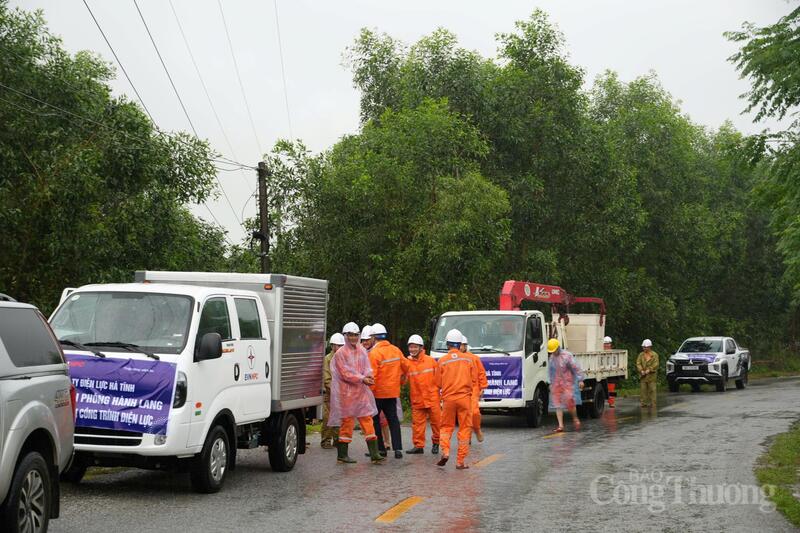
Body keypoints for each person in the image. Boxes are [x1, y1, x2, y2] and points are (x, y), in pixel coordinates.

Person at [329, 322, 385, 464]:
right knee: (347, 423)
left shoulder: (361, 350)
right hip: (347, 394)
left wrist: (369, 376)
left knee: (367, 420)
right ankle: (342, 455)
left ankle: (374, 453)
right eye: (350, 335)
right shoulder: (340, 354)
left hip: (361, 393)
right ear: (345, 336)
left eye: (355, 335)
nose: (353, 338)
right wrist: (362, 379)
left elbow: (367, 367)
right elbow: (345, 373)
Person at [436, 329, 477, 470]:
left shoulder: (442, 361)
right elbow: (474, 379)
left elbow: (438, 383)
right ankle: (460, 461)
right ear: (460, 344)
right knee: (465, 429)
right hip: (464, 399)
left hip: (448, 399)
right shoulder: (468, 359)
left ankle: (446, 452)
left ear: (447, 344)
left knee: (446, 427)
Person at [368, 323, 405, 458]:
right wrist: (401, 381)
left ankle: (381, 449)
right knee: (393, 420)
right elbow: (406, 367)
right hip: (392, 392)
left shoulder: (375, 353)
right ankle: (397, 449)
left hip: (378, 393)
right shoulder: (396, 350)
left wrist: (369, 393)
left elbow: (373, 375)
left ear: (373, 337)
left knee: (375, 420)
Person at [401, 334, 440, 455]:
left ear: (421, 347)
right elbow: (403, 381)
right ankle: (418, 446)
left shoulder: (431, 361)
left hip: (432, 397)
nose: (412, 349)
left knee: (437, 423)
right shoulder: (407, 363)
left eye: (415, 347)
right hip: (417, 398)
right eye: (410, 347)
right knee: (417, 424)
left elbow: (440, 379)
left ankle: (436, 443)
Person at [547, 338, 584, 433]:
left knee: (569, 401)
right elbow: (551, 372)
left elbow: (576, 368)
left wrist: (580, 380)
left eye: (554, 350)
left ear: (558, 348)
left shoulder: (567, 356)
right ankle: (560, 426)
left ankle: (575, 418)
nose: (553, 353)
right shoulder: (552, 358)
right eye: (551, 351)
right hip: (557, 383)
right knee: (557, 404)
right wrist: (550, 383)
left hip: (568, 383)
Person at [460, 335, 488, 442]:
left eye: (463, 345)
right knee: (464, 414)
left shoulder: (474, 358)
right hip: (460, 388)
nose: (461, 347)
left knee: (474, 412)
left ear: (466, 346)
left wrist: (483, 387)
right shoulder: (454, 358)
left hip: (473, 388)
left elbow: (481, 373)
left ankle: (477, 429)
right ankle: (468, 436)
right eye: (459, 345)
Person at [320, 332, 344, 449]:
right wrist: (334, 389)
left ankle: (337, 440)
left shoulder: (344, 358)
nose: (339, 348)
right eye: (337, 345)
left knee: (339, 418)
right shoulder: (327, 359)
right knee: (328, 418)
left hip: (341, 394)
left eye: (341, 345)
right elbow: (326, 377)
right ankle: (325, 441)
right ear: (332, 346)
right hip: (330, 394)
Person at [636, 339, 659, 408]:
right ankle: (643, 403)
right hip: (643, 376)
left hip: (651, 376)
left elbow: (656, 364)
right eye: (643, 347)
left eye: (646, 347)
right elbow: (638, 363)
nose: (644, 348)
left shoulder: (654, 355)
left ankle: (653, 404)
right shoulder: (641, 355)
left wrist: (649, 369)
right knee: (643, 390)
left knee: (652, 390)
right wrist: (641, 370)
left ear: (649, 347)